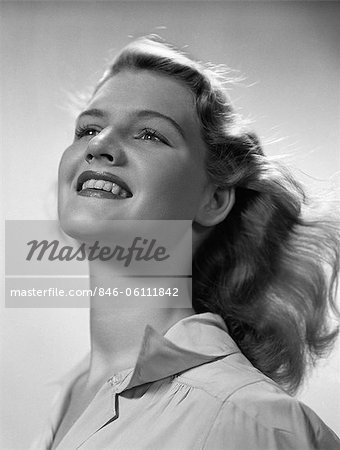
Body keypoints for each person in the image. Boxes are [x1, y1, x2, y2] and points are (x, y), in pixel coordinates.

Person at [31, 35, 340, 449]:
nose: (100, 145)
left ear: (213, 200)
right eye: (89, 127)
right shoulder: (71, 395)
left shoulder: (254, 421)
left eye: (150, 135)